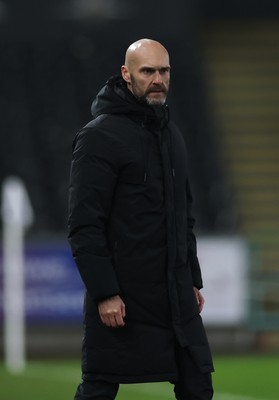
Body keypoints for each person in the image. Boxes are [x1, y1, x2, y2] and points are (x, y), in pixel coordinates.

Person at [68, 38, 214, 400]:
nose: (157, 79)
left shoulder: (172, 136)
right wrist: (105, 292)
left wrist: (191, 279)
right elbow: (85, 225)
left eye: (163, 71)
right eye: (147, 71)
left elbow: (184, 216)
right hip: (125, 296)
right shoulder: (98, 136)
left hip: (175, 294)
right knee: (99, 388)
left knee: (198, 386)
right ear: (126, 74)